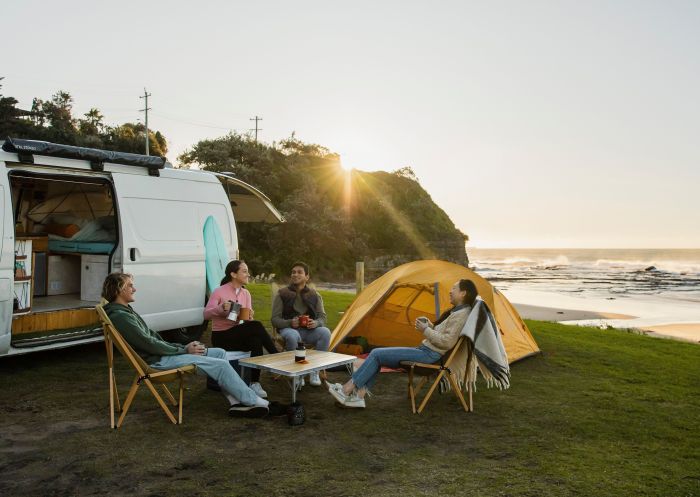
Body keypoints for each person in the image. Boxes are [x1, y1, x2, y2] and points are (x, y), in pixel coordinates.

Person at [102, 272, 271, 418]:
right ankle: (256, 403)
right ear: (119, 289)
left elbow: (153, 339)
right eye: (130, 286)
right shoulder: (121, 317)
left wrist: (183, 346)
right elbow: (149, 344)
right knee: (220, 365)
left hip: (163, 355)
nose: (134, 289)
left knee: (219, 353)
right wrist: (183, 349)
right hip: (158, 362)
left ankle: (237, 402)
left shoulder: (125, 311)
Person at [327, 279, 478, 409]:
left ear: (463, 293)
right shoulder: (458, 312)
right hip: (427, 352)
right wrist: (430, 326)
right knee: (378, 356)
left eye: (454, 288)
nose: (450, 291)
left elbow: (446, 342)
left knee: (376, 353)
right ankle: (358, 397)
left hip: (429, 355)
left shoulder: (460, 315)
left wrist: (425, 330)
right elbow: (444, 334)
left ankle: (346, 390)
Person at [204, 260, 280, 399]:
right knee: (256, 326)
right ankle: (276, 356)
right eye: (244, 271)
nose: (248, 274)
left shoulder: (246, 293)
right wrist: (221, 308)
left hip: (237, 332)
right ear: (233, 274)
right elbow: (206, 314)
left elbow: (246, 322)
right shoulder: (219, 291)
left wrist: (249, 316)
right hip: (221, 336)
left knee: (255, 340)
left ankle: (254, 383)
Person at [271, 262, 331, 386]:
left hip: (308, 331)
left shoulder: (314, 295)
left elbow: (322, 317)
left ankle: (315, 370)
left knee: (325, 332)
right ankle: (297, 373)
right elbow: (274, 319)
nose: (295, 274)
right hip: (288, 329)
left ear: (307, 277)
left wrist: (316, 323)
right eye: (293, 272)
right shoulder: (282, 294)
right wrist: (289, 322)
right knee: (293, 336)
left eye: (299, 272)